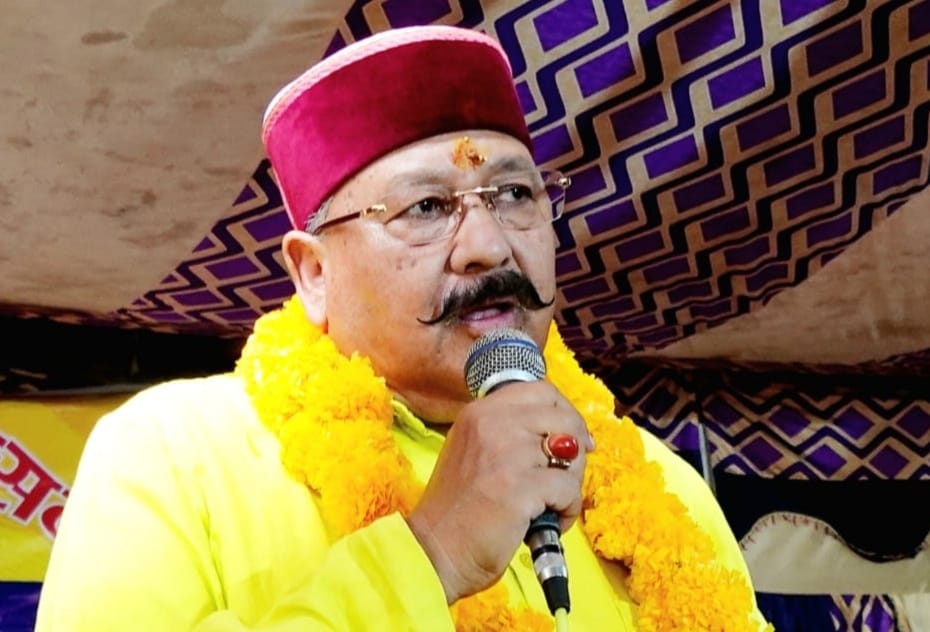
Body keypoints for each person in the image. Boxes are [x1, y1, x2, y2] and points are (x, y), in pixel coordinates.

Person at [35, 25, 771, 631]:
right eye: (426, 207)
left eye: (516, 194)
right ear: (313, 272)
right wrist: (431, 556)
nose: (488, 245)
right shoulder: (172, 454)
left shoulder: (661, 481)